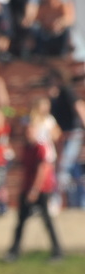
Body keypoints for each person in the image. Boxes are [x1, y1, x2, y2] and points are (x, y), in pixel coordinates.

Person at [4, 118, 63, 262]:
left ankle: (57, 251)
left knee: (47, 220)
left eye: (30, 131)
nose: (28, 134)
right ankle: (14, 251)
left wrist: (35, 190)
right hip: (27, 188)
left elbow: (42, 169)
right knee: (21, 221)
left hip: (41, 189)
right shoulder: (27, 148)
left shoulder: (40, 147)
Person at [46, 67, 85, 211]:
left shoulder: (67, 91)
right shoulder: (55, 96)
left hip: (72, 134)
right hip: (64, 136)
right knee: (72, 169)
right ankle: (77, 203)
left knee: (64, 166)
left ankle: (56, 201)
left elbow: (79, 107)